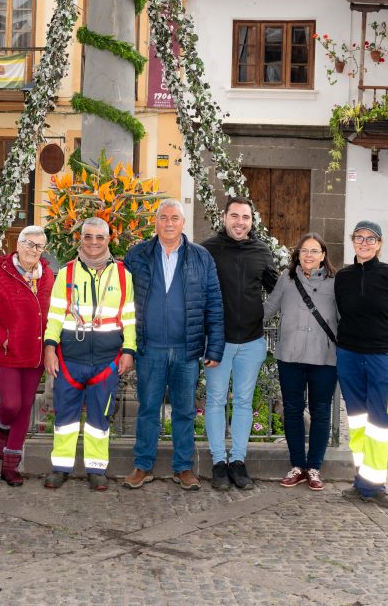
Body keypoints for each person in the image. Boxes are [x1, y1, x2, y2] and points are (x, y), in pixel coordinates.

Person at [123, 199, 224, 492]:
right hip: (149, 347)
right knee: (148, 408)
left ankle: (183, 467)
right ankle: (143, 465)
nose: (169, 223)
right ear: (156, 222)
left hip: (186, 349)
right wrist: (126, 347)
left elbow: (214, 304)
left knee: (184, 411)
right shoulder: (138, 255)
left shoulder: (201, 258)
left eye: (174, 218)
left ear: (183, 223)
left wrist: (214, 346)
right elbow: (124, 302)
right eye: (164, 217)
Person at [43, 217, 135, 491]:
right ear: (80, 239)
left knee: (99, 419)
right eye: (88, 237)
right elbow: (55, 314)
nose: (94, 242)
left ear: (109, 240)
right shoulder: (67, 273)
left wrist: (129, 350)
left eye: (99, 237)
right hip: (70, 360)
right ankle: (61, 468)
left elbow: (129, 318)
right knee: (65, 418)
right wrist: (49, 347)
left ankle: (96, 469)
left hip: (106, 361)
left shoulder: (122, 274)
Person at [201, 197, 278, 491]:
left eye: (245, 217)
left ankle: (238, 461)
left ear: (251, 221)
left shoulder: (261, 251)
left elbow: (277, 289)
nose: (240, 222)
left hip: (252, 341)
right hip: (218, 342)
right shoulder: (208, 249)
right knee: (216, 400)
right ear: (224, 217)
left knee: (244, 402)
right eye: (235, 216)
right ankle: (219, 461)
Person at [335, 220, 388, 510]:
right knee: (357, 422)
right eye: (359, 238)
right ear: (352, 241)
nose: (364, 243)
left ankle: (375, 485)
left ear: (379, 244)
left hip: (382, 357)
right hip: (350, 355)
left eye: (371, 239)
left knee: (380, 423)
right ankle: (361, 481)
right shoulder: (343, 277)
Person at [0, 225, 53, 486]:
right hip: (9, 352)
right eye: (29, 244)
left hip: (36, 354)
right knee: (11, 405)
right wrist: (1, 338)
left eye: (39, 246)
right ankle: (2, 427)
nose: (33, 250)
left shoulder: (47, 275)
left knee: (25, 406)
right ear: (18, 244)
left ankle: (11, 463)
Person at [262, 233, 338, 491]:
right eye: (305, 250)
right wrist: (238, 321)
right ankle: (297, 465)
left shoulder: (335, 283)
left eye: (315, 251)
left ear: (323, 256)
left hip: (324, 358)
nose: (309, 255)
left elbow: (346, 316)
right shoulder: (287, 279)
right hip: (290, 357)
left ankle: (314, 467)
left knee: (320, 412)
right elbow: (268, 308)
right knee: (293, 411)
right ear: (297, 254)